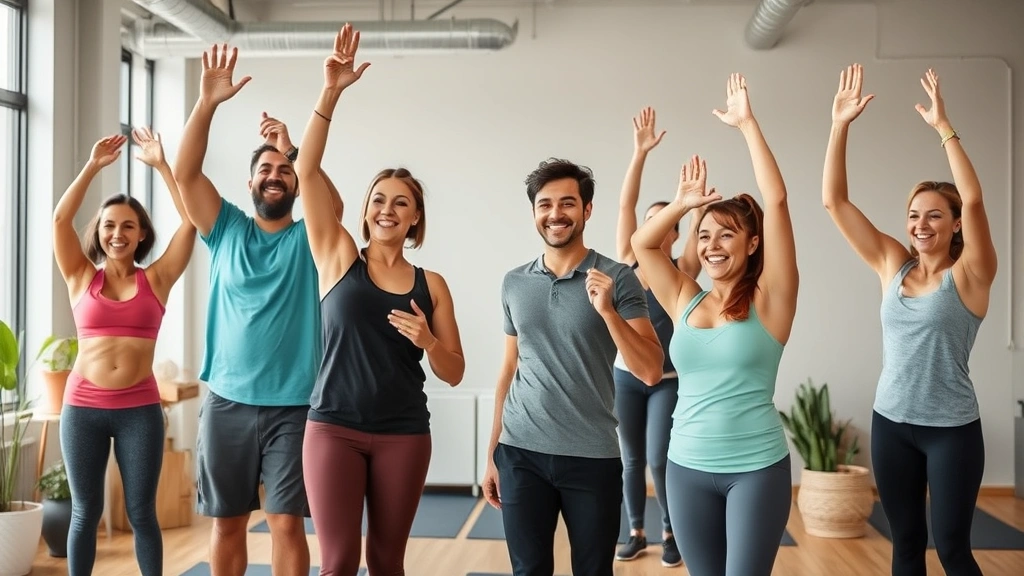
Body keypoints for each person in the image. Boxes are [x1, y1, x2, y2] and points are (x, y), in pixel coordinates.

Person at [292, 23, 466, 576]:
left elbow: (455, 371)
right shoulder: (338, 256)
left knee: (388, 561)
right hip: (332, 429)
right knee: (338, 562)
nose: (387, 208)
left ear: (416, 217)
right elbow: (307, 169)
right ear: (365, 210)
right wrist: (331, 92)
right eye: (378, 199)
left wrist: (429, 340)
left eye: (401, 202)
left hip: (404, 432)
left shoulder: (431, 284)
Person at [174, 43, 343, 576]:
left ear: (294, 182)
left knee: (286, 523)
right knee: (226, 523)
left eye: (284, 170)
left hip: (295, 405)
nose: (275, 174)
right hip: (226, 403)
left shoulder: (308, 240)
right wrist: (207, 105)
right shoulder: (224, 229)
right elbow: (185, 174)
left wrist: (294, 149)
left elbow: (333, 206)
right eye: (265, 168)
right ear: (249, 183)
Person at [822, 64, 996, 576]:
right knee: (904, 546)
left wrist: (945, 128)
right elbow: (834, 201)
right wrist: (839, 125)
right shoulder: (891, 266)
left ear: (955, 223)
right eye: (914, 215)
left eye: (935, 215)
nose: (921, 224)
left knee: (952, 547)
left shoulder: (972, 275)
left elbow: (977, 198)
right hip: (891, 424)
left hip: (951, 431)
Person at [632, 73, 799, 576]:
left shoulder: (771, 301)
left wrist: (748, 126)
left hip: (756, 469)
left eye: (727, 235)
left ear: (752, 245)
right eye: (704, 236)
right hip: (684, 468)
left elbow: (777, 203)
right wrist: (684, 205)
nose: (712, 245)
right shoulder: (685, 296)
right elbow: (643, 246)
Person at [481, 153, 665, 576]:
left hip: (591, 456)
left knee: (593, 570)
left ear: (586, 210)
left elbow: (651, 369)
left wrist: (609, 313)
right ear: (534, 213)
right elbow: (509, 367)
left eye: (566, 203)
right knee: (528, 571)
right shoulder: (514, 281)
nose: (555, 214)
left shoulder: (618, 277)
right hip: (521, 451)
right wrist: (493, 451)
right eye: (545, 204)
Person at [54, 128, 196, 576]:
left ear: (140, 235)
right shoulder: (80, 276)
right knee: (84, 512)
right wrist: (92, 167)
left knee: (141, 514)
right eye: (109, 225)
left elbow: (191, 221)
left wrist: (163, 167)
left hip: (139, 409)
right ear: (100, 231)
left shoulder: (157, 280)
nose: (117, 233)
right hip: (83, 408)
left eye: (127, 226)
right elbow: (60, 221)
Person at [613, 106, 700, 567]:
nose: (650, 227)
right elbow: (626, 207)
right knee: (630, 461)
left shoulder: (683, 270)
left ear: (672, 231)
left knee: (660, 459)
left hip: (666, 379)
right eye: (648, 220)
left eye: (662, 221)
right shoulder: (627, 264)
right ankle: (635, 531)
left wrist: (692, 202)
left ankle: (671, 531)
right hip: (625, 377)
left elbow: (693, 236)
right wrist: (639, 153)